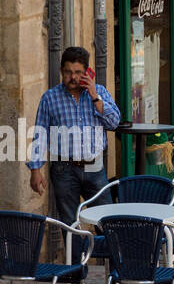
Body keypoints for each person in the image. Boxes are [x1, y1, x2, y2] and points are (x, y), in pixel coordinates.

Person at [28, 46, 122, 224]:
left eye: (78, 72)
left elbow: (114, 122)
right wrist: (35, 170)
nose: (73, 77)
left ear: (86, 72)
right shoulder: (50, 98)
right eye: (68, 72)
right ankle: (76, 253)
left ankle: (111, 253)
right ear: (61, 71)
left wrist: (95, 97)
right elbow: (40, 134)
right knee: (70, 224)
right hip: (64, 170)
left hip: (95, 167)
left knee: (108, 222)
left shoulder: (99, 92)